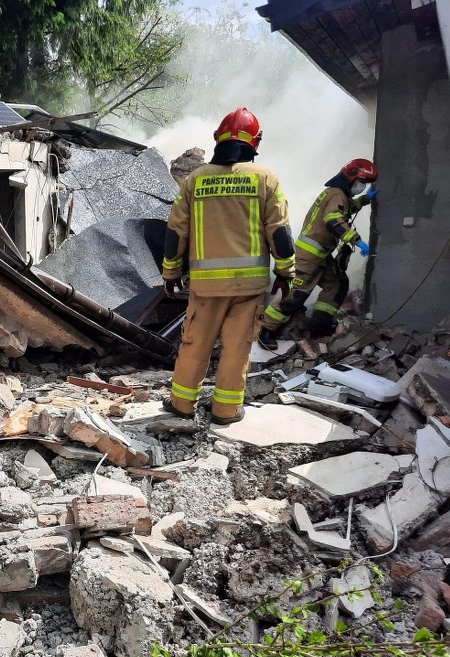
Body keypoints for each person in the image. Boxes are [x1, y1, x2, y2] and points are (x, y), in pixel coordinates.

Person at [161, 107, 296, 425]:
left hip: (205, 288)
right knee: (237, 349)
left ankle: (182, 404)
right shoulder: (265, 178)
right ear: (255, 141)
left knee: (195, 345)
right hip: (248, 288)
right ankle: (226, 411)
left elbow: (175, 231)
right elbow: (280, 231)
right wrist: (285, 273)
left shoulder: (195, 180)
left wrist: (170, 273)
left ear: (217, 139)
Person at [258, 158, 378, 349]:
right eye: (362, 183)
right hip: (308, 257)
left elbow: (345, 208)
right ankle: (265, 331)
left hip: (321, 256)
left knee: (337, 285)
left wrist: (365, 199)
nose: (362, 187)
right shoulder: (336, 195)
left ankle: (319, 328)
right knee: (294, 296)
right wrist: (356, 240)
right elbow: (333, 219)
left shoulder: (338, 194)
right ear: (352, 178)